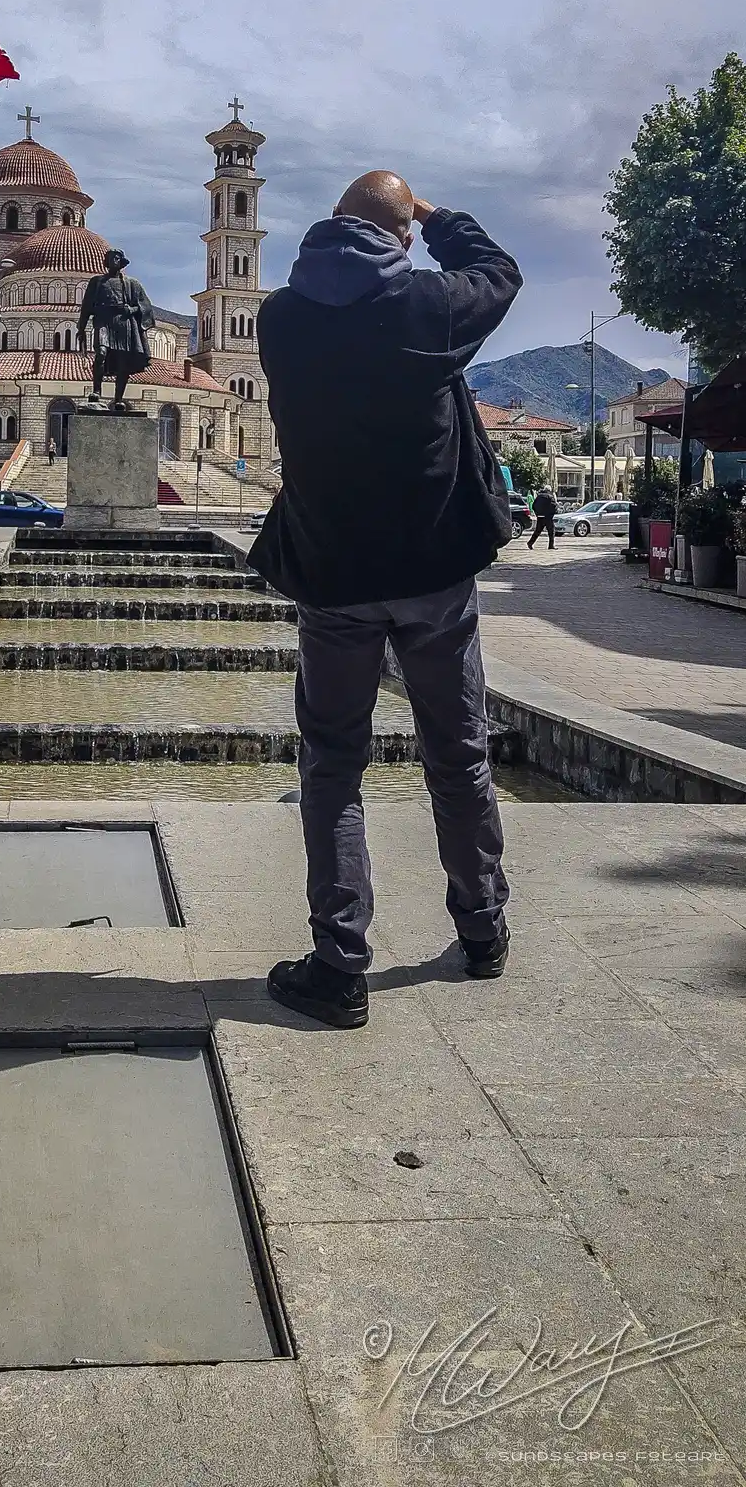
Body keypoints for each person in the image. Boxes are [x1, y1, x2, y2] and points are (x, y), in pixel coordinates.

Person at [249, 170, 523, 1027]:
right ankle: (481, 931)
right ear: (404, 236)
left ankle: (339, 963)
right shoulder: (430, 307)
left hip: (333, 575)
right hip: (434, 573)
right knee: (459, 752)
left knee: (332, 764)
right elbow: (502, 273)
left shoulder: (279, 318)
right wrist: (438, 219)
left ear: (331, 225)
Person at [77, 249, 155, 410]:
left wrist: (131, 310)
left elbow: (145, 307)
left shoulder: (132, 284)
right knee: (101, 353)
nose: (114, 260)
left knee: (122, 362)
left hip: (123, 322)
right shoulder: (97, 282)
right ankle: (97, 391)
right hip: (103, 320)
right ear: (106, 261)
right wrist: (81, 328)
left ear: (121, 261)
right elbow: (86, 306)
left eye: (117, 258)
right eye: (111, 258)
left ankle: (118, 399)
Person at [528, 485, 557, 550]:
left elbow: (533, 506)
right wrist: (551, 514)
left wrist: (537, 513)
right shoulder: (550, 496)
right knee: (551, 531)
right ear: (549, 490)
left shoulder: (539, 496)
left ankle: (530, 543)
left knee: (537, 531)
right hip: (547, 517)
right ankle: (551, 545)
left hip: (540, 516)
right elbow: (554, 506)